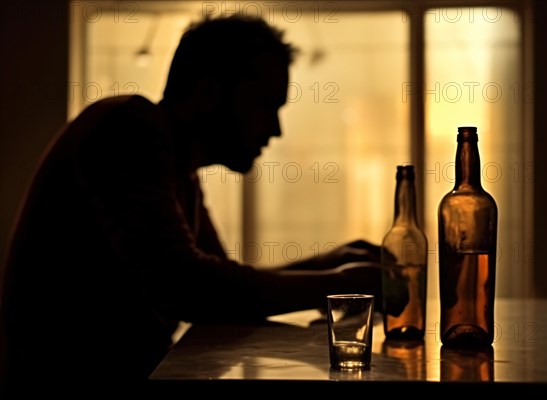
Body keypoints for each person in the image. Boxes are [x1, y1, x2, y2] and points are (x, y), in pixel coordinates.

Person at [0, 14, 382, 388]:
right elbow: (189, 287)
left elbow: (218, 283)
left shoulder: (173, 160)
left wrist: (329, 264)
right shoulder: (130, 131)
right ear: (209, 91)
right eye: (266, 105)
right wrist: (338, 285)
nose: (275, 129)